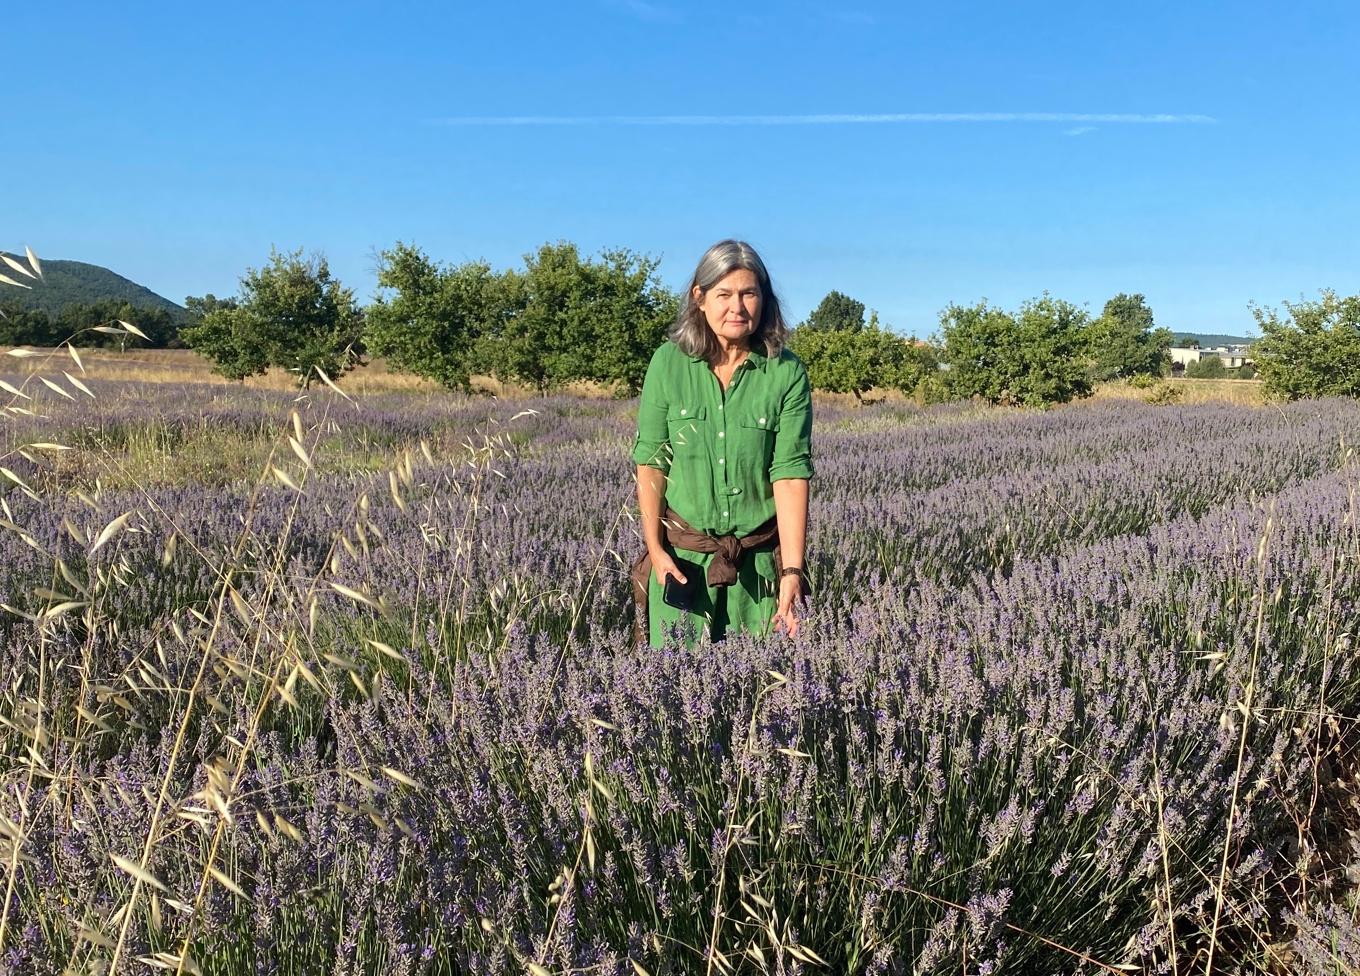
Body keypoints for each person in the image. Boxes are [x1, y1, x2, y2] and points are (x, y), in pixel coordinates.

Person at [629, 239, 813, 648]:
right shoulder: (667, 364)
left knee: (765, 692)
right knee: (675, 691)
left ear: (764, 299)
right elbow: (652, 462)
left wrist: (793, 572)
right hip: (683, 565)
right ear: (700, 298)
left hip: (760, 569)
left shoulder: (785, 372)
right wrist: (655, 550)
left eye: (749, 293)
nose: (738, 307)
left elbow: (790, 473)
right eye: (724, 294)